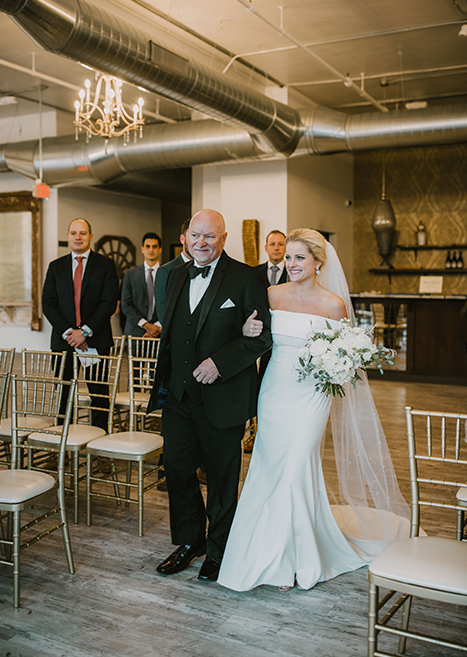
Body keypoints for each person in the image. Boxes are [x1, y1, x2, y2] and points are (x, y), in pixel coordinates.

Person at [218, 228, 410, 592]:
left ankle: (290, 558)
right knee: (271, 465)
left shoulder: (334, 305)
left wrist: (340, 365)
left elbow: (348, 353)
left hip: (313, 396)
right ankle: (266, 549)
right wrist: (246, 326)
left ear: (318, 262)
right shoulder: (271, 294)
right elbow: (251, 336)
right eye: (288, 257)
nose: (291, 264)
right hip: (275, 391)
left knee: (295, 467)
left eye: (299, 258)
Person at [150, 209, 272, 582]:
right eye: (195, 236)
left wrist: (220, 362)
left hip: (222, 397)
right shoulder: (173, 275)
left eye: (210, 237)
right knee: (176, 468)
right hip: (179, 395)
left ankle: (219, 551)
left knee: (221, 478)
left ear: (223, 238)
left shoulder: (247, 276)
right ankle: (190, 541)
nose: (201, 243)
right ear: (185, 236)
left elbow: (262, 337)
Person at [42, 218, 119, 430]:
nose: (78, 237)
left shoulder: (105, 265)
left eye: (83, 233)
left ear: (90, 237)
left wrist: (84, 332)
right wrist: (70, 333)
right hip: (64, 342)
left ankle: (99, 441)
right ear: (68, 236)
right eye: (74, 233)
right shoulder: (55, 267)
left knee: (98, 395)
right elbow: (47, 303)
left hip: (95, 340)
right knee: (63, 395)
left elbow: (109, 302)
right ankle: (62, 440)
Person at [254, 230, 289, 385]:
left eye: (280, 244)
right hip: (260, 332)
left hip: (285, 330)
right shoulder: (254, 273)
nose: (276, 248)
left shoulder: (294, 273)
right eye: (272, 244)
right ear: (265, 247)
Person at [122, 232, 162, 338]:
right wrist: (146, 325)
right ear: (142, 249)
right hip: (135, 332)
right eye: (147, 246)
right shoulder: (130, 274)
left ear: (160, 249)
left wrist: (157, 326)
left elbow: (171, 305)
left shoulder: (168, 274)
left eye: (154, 247)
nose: (151, 250)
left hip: (160, 332)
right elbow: (126, 304)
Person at [154, 219, 191, 325]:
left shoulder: (210, 269)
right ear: (182, 239)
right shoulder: (165, 271)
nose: (197, 242)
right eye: (192, 236)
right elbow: (163, 315)